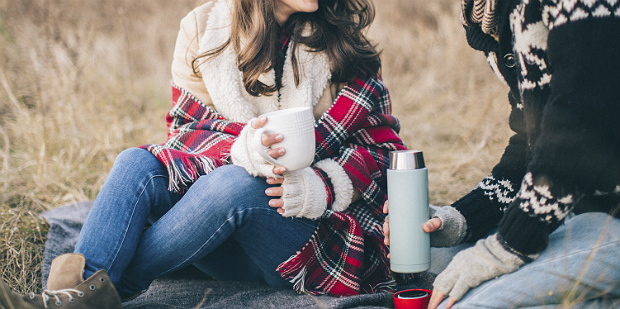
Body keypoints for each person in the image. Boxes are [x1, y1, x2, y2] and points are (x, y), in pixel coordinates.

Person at [0, 0, 407, 308]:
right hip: (218, 232)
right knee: (136, 163)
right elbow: (185, 133)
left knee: (236, 185)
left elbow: (385, 151)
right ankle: (71, 294)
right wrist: (243, 148)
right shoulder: (203, 30)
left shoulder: (343, 42)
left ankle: (99, 294)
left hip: (307, 238)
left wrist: (324, 185)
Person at [384, 0, 620, 308]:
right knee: (426, 262)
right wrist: (459, 220)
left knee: (461, 302)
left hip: (608, 216)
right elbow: (532, 144)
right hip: (568, 212)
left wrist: (506, 247)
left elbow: (581, 133)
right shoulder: (489, 11)